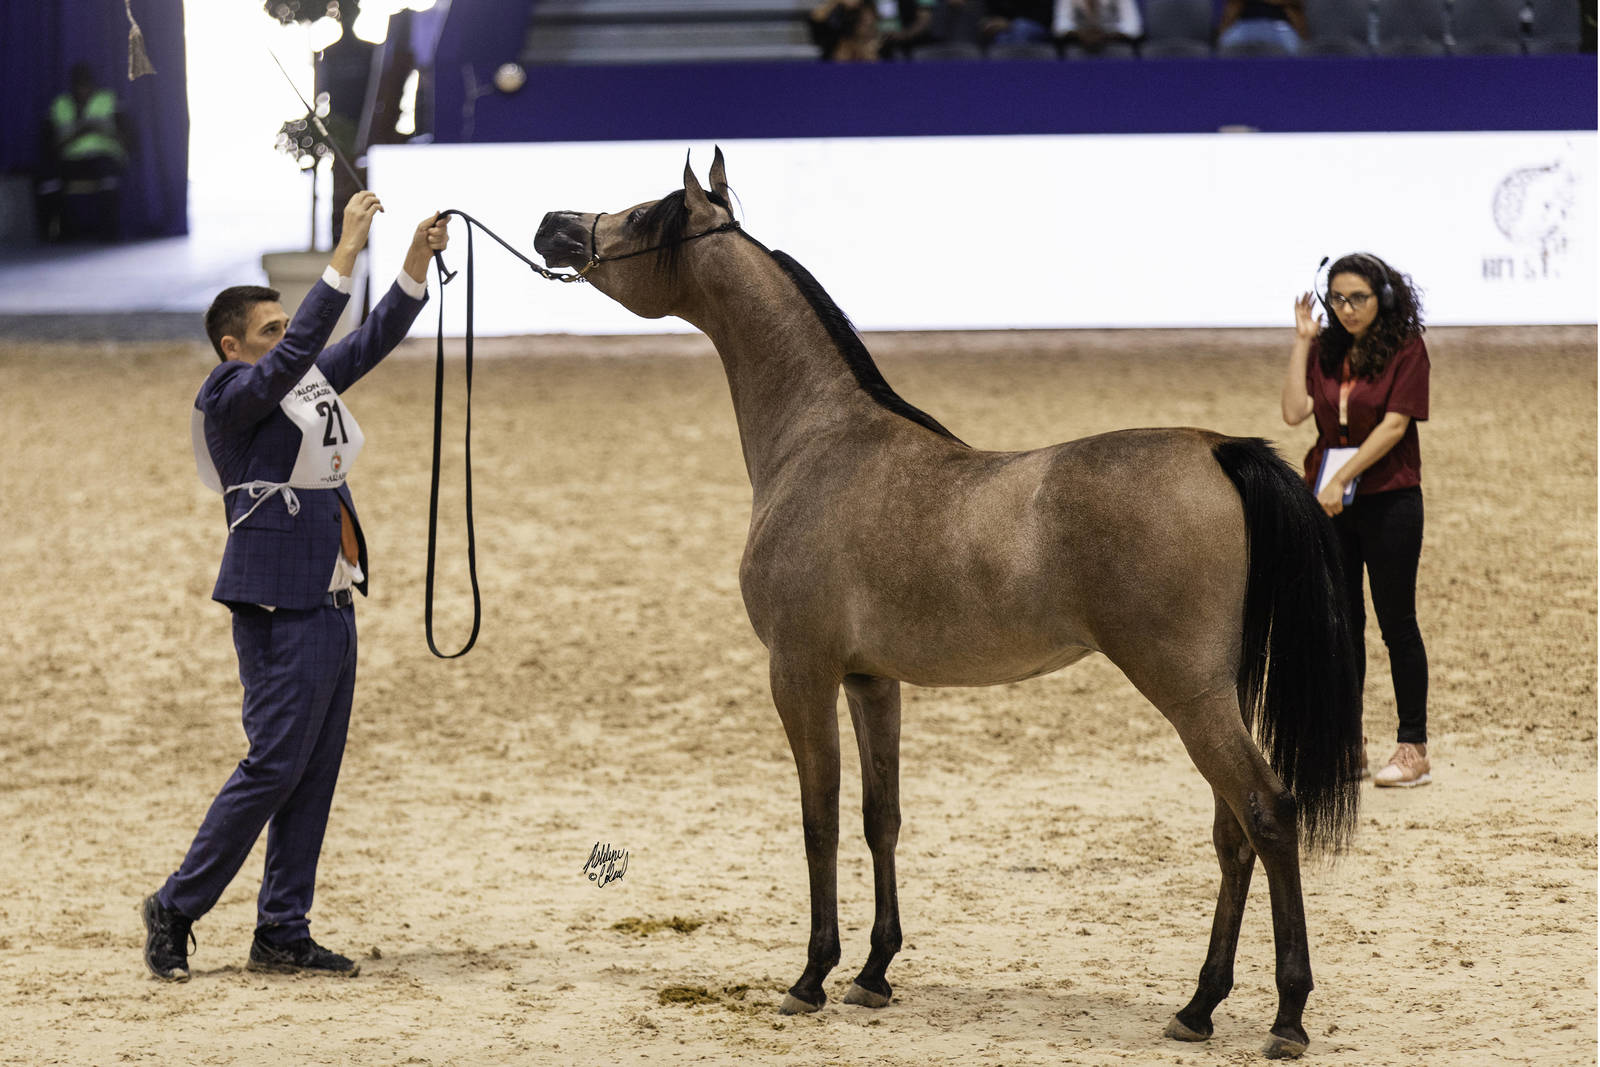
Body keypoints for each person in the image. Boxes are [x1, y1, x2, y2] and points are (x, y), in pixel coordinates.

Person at [140, 192, 450, 981]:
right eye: (270, 330)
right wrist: (343, 251)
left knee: (312, 769)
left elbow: (368, 341)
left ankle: (282, 928)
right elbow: (300, 351)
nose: (288, 340)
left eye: (286, 325)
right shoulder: (230, 397)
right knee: (274, 764)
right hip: (279, 603)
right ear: (231, 346)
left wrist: (412, 261)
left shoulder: (296, 386)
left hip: (331, 597)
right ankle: (176, 904)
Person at [1281, 253, 1432, 788]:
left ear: (1383, 298)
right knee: (1341, 626)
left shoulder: (1407, 348)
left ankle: (1413, 746)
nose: (1347, 309)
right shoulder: (1327, 349)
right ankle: (1349, 744)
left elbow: (1393, 428)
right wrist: (1303, 340)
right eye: (1338, 299)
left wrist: (1342, 478)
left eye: (1358, 298)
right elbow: (1294, 412)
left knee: (1397, 625)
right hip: (1330, 503)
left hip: (1389, 499)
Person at [41, 62, 129, 241]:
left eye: (86, 86)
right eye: (79, 86)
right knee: (48, 179)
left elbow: (126, 137)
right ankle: (58, 233)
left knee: (108, 177)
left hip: (102, 156)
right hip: (71, 159)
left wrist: (104, 129)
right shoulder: (60, 104)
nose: (83, 91)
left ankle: (109, 232)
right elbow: (51, 144)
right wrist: (77, 131)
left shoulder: (108, 100)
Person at [1216, 0, 1309, 54]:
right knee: (1226, 46)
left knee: (1295, 51)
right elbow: (1232, 6)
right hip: (1244, 23)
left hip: (1280, 25)